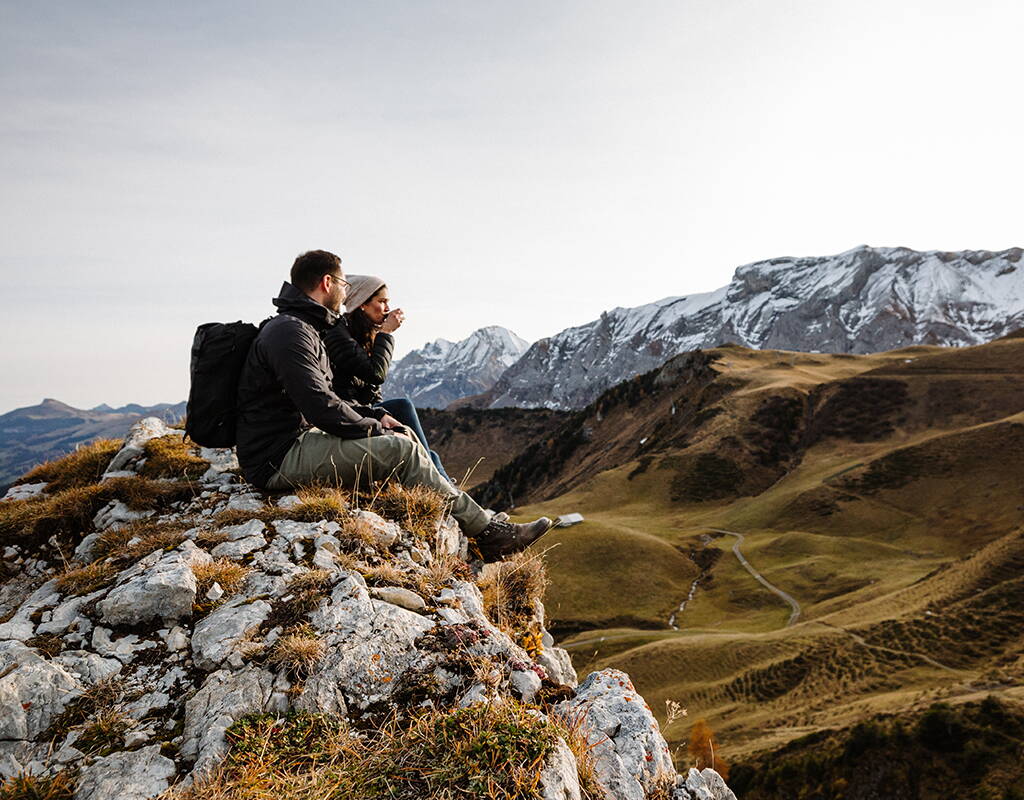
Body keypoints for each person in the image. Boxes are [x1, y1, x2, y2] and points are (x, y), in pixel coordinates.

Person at [234, 249, 551, 560]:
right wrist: (372, 425)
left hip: (292, 441)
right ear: (327, 283)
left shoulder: (302, 328)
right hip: (277, 457)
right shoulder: (292, 331)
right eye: (344, 285)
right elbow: (320, 406)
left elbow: (325, 398)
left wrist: (376, 417)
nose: (345, 294)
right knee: (401, 450)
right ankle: (488, 535)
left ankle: (462, 516)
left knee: (403, 436)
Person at [322, 274, 452, 482]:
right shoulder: (339, 336)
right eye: (381, 302)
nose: (387, 308)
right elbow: (376, 374)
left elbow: (372, 389)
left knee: (430, 454)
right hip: (346, 412)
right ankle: (442, 491)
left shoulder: (360, 334)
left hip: (361, 408)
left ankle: (444, 493)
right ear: (362, 304)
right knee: (403, 407)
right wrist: (386, 333)